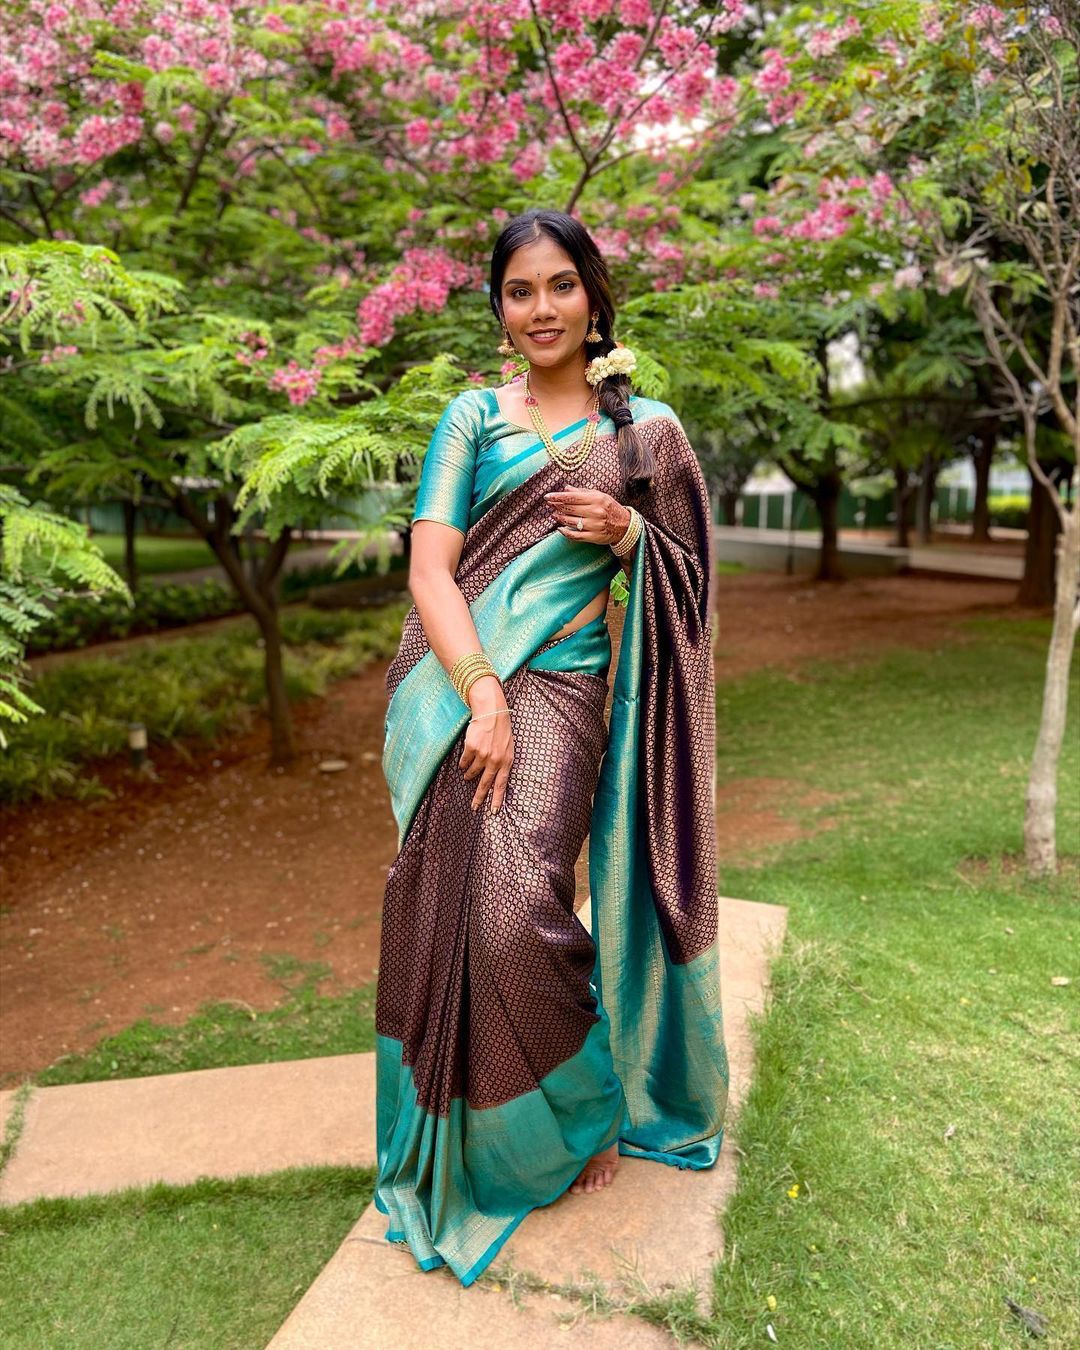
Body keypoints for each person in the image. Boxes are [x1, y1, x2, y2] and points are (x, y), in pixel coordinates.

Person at [374, 207, 729, 1287]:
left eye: (561, 286)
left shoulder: (647, 434)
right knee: (446, 910)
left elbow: (692, 577)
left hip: (568, 690)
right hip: (457, 692)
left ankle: (578, 1112)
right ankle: (486, 1137)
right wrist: (478, 689)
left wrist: (633, 537)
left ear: (593, 296)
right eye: (520, 290)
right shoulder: (472, 419)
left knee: (514, 903)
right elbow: (432, 569)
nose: (541, 308)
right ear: (498, 307)